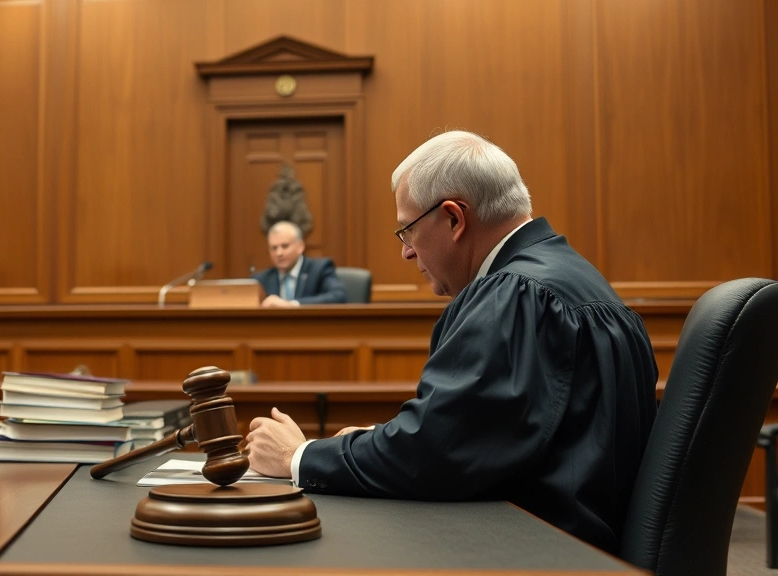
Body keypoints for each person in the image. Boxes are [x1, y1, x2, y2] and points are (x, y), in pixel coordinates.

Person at [245, 130, 658, 553]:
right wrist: (380, 441)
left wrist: (301, 456)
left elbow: (437, 455)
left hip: (534, 554)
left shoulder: (515, 295)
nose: (406, 253)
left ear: (454, 218)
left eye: (407, 230)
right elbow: (488, 436)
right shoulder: (576, 280)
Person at [253, 221, 347, 308]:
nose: (279, 253)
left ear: (300, 247)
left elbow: (338, 296)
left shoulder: (319, 269)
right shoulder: (260, 280)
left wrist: (292, 305)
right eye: (274, 248)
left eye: (285, 246)